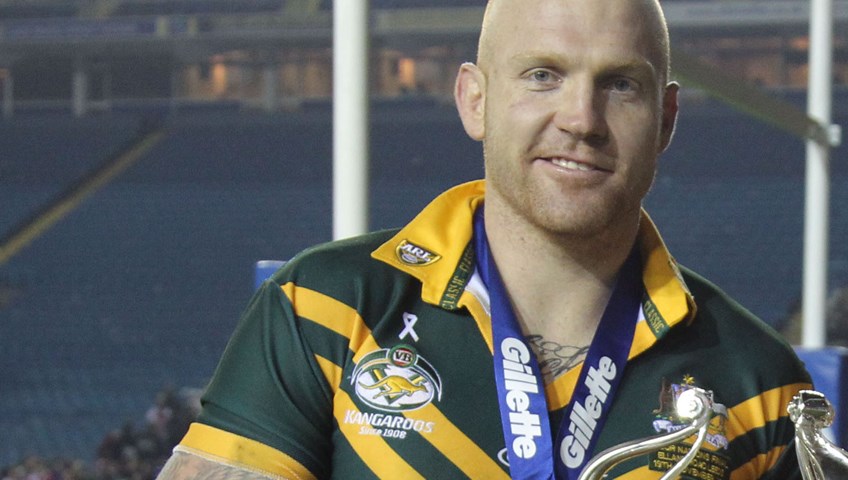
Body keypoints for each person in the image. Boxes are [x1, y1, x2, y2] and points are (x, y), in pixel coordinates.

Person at [157, 0, 812, 478]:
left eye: (620, 85)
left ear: (665, 120)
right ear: (475, 99)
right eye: (543, 75)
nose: (581, 119)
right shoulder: (323, 311)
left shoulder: (757, 382)